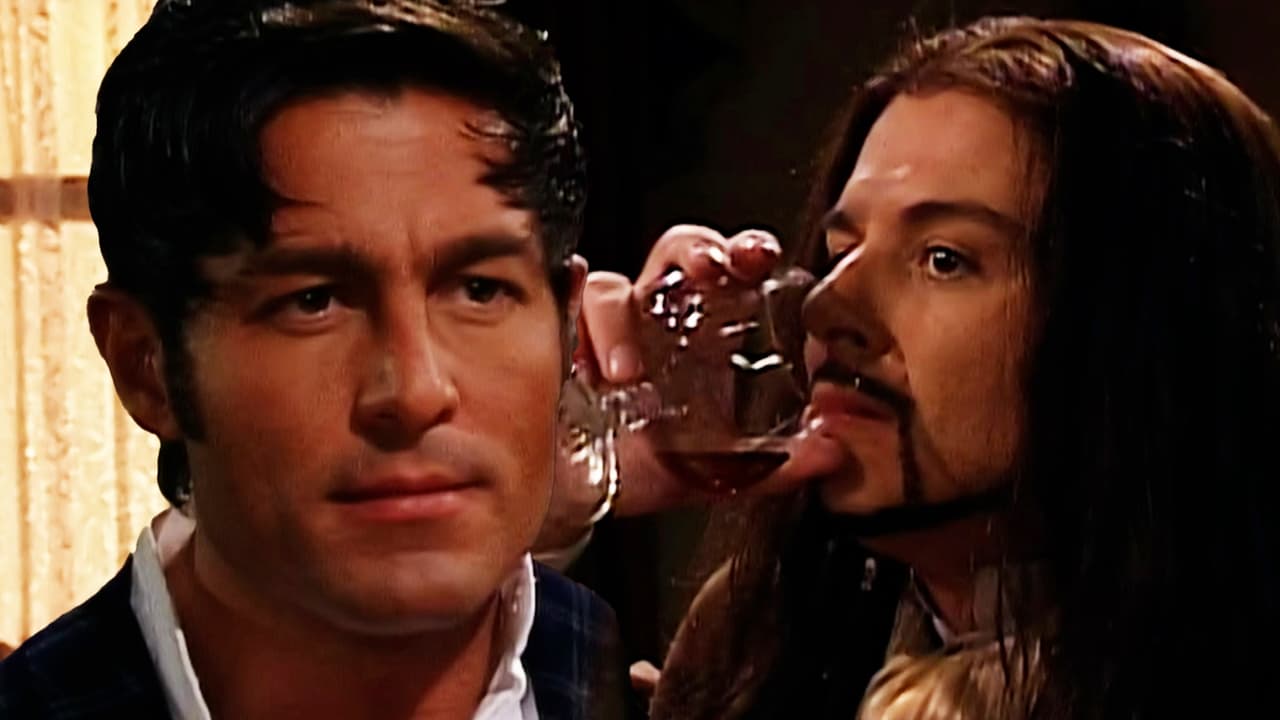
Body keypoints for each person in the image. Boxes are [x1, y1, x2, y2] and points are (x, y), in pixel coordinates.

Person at [576, 16, 1280, 719]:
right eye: (840, 251)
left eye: (945, 259)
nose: (825, 304)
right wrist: (558, 484)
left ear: (1147, 322)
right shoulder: (757, 641)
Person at [0, 1, 625, 718]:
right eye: (313, 301)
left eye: (479, 290)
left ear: (566, 324)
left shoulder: (642, 683)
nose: (416, 391)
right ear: (146, 364)